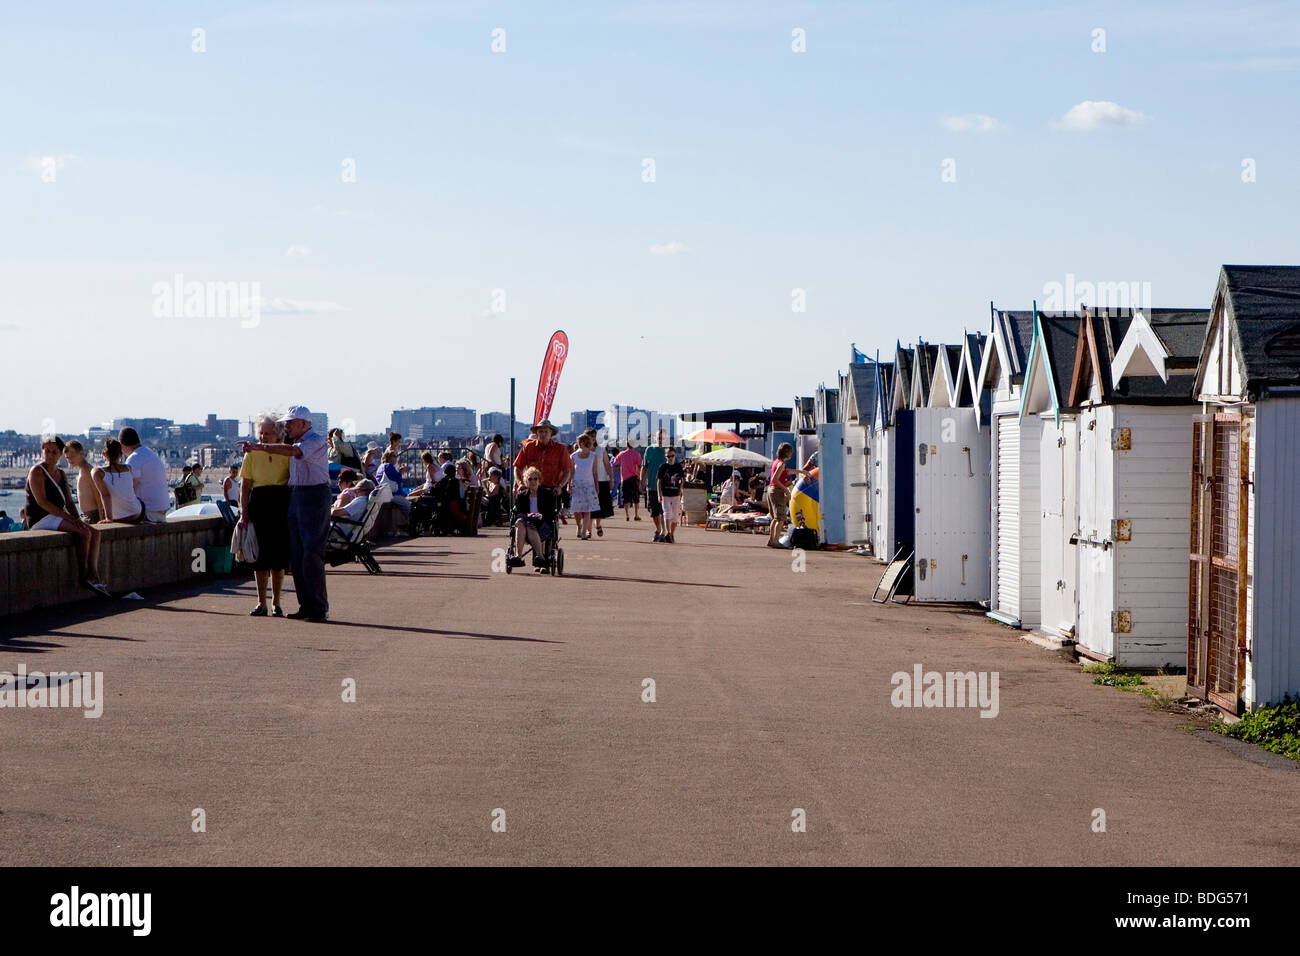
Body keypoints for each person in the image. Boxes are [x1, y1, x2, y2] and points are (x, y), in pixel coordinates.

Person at [239, 405, 330, 622]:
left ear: (303, 423)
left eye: (290, 422)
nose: (286, 426)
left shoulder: (315, 441)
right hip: (296, 496)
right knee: (297, 555)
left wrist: (260, 447)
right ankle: (306, 605)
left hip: (314, 495)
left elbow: (294, 453)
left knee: (311, 552)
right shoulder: (294, 443)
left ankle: (318, 607)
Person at [25, 435, 108, 594]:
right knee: (84, 533)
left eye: (54, 452)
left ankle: (94, 573)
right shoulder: (37, 471)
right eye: (46, 451)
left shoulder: (61, 474)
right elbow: (42, 502)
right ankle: (83, 575)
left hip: (56, 516)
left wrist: (77, 519)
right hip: (41, 518)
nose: (49, 455)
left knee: (95, 533)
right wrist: (69, 519)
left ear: (60, 454)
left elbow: (69, 502)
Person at [238, 413, 293, 617]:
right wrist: (244, 513)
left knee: (278, 558)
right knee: (259, 558)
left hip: (280, 502)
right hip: (259, 502)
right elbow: (245, 487)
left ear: (278, 435)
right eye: (261, 433)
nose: (263, 437)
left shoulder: (286, 452)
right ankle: (261, 602)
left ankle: (276, 603)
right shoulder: (251, 454)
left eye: (268, 433)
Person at [508, 466, 559, 570]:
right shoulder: (522, 496)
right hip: (526, 521)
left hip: (542, 523)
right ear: (526, 481)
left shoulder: (547, 494)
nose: (533, 481)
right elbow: (517, 512)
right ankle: (518, 556)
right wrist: (527, 515)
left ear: (539, 480)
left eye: (535, 478)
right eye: (530, 479)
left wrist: (541, 515)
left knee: (529, 526)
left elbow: (552, 513)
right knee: (519, 522)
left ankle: (540, 557)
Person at [118, 426, 171, 522]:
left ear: (122, 444)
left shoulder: (134, 458)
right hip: (161, 511)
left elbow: (130, 488)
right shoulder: (149, 453)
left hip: (149, 512)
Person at [766, 442, 810, 548]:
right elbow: (775, 479)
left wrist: (800, 471)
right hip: (777, 491)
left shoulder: (777, 462)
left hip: (771, 490)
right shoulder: (781, 464)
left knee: (775, 518)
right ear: (788, 453)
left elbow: (786, 472)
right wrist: (786, 490)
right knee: (781, 518)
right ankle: (776, 541)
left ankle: (771, 540)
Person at [512, 419, 572, 493]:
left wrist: (560, 486)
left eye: (546, 432)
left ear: (551, 433)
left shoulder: (560, 449)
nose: (543, 434)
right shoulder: (528, 447)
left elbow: (567, 471)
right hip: (531, 489)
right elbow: (517, 467)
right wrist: (520, 483)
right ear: (537, 433)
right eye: (540, 431)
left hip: (552, 491)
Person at [91, 438, 143, 524]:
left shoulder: (97, 472)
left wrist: (108, 518)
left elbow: (106, 495)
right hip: (136, 514)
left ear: (104, 454)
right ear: (121, 454)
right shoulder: (128, 468)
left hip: (118, 518)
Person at [568, 433, 600, 540]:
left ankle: (584, 532)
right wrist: (569, 484)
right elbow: (571, 472)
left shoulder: (593, 456)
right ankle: (579, 526)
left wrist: (597, 486)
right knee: (577, 510)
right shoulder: (573, 456)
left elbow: (595, 473)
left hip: (589, 485)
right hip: (577, 485)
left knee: (587, 510)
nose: (581, 444)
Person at [64, 440, 103, 523]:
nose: (70, 460)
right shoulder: (83, 469)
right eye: (67, 458)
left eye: (72, 456)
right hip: (88, 514)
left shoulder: (87, 470)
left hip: (93, 515)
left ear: (81, 453)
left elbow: (98, 494)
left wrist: (102, 517)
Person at [640, 430, 668, 541]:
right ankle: (658, 529)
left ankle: (663, 531)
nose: (660, 440)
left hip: (665, 487)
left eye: (663, 438)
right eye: (659, 438)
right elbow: (644, 467)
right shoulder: (650, 450)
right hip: (651, 485)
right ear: (655, 438)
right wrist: (642, 481)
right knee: (654, 512)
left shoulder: (668, 452)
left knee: (664, 511)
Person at [656, 445, 686, 543]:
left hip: (676, 494)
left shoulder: (678, 467)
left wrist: (681, 489)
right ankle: (668, 533)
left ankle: (672, 534)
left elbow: (682, 479)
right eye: (668, 456)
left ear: (675, 455)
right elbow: (659, 481)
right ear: (666, 457)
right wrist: (658, 494)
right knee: (667, 513)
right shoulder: (663, 467)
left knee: (675, 516)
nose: (670, 458)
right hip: (665, 494)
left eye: (672, 456)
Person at [613, 441, 643, 522]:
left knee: (625, 498)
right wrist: (639, 476)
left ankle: (627, 515)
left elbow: (615, 462)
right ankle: (636, 515)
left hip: (625, 478)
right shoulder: (637, 454)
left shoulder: (622, 454)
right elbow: (640, 465)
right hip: (634, 477)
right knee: (636, 497)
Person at [375, 449, 410, 516]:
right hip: (391, 495)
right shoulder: (388, 466)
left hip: (384, 493)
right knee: (409, 506)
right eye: (394, 456)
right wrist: (400, 472)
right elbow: (397, 481)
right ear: (388, 457)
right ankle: (407, 524)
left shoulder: (381, 466)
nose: (396, 458)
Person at [592, 438, 615, 535]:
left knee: (599, 507)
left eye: (592, 436)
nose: (590, 438)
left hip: (601, 480)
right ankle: (588, 530)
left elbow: (607, 465)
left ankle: (597, 524)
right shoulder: (582, 451)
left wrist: (611, 479)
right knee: (589, 507)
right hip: (588, 481)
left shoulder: (601, 450)